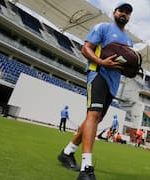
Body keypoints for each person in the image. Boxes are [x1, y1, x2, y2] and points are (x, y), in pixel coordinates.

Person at [57, 2, 134, 180]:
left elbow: (126, 64)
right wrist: (101, 62)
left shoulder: (129, 41)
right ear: (114, 12)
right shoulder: (103, 27)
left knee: (94, 119)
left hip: (114, 83)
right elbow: (86, 48)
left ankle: (67, 152)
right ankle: (86, 168)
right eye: (121, 10)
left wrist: (131, 69)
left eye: (128, 12)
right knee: (93, 116)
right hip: (98, 74)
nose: (124, 14)